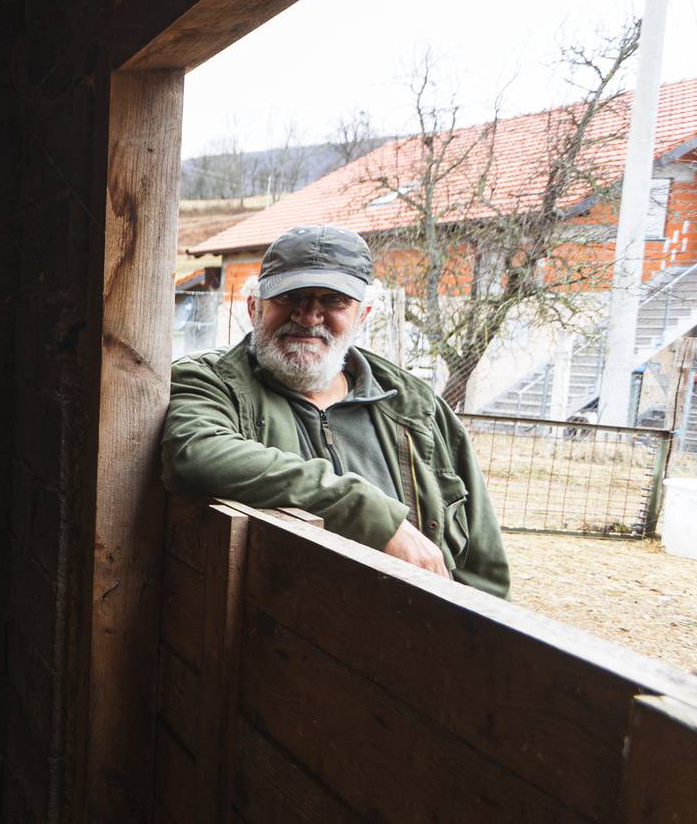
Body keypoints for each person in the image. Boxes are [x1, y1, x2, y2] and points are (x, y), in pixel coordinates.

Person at [162, 223, 509, 595]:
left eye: (333, 300)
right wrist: (369, 512)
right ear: (254, 307)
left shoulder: (416, 406)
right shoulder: (210, 381)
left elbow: (484, 570)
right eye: (289, 296)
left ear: (364, 314)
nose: (309, 315)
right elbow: (197, 454)